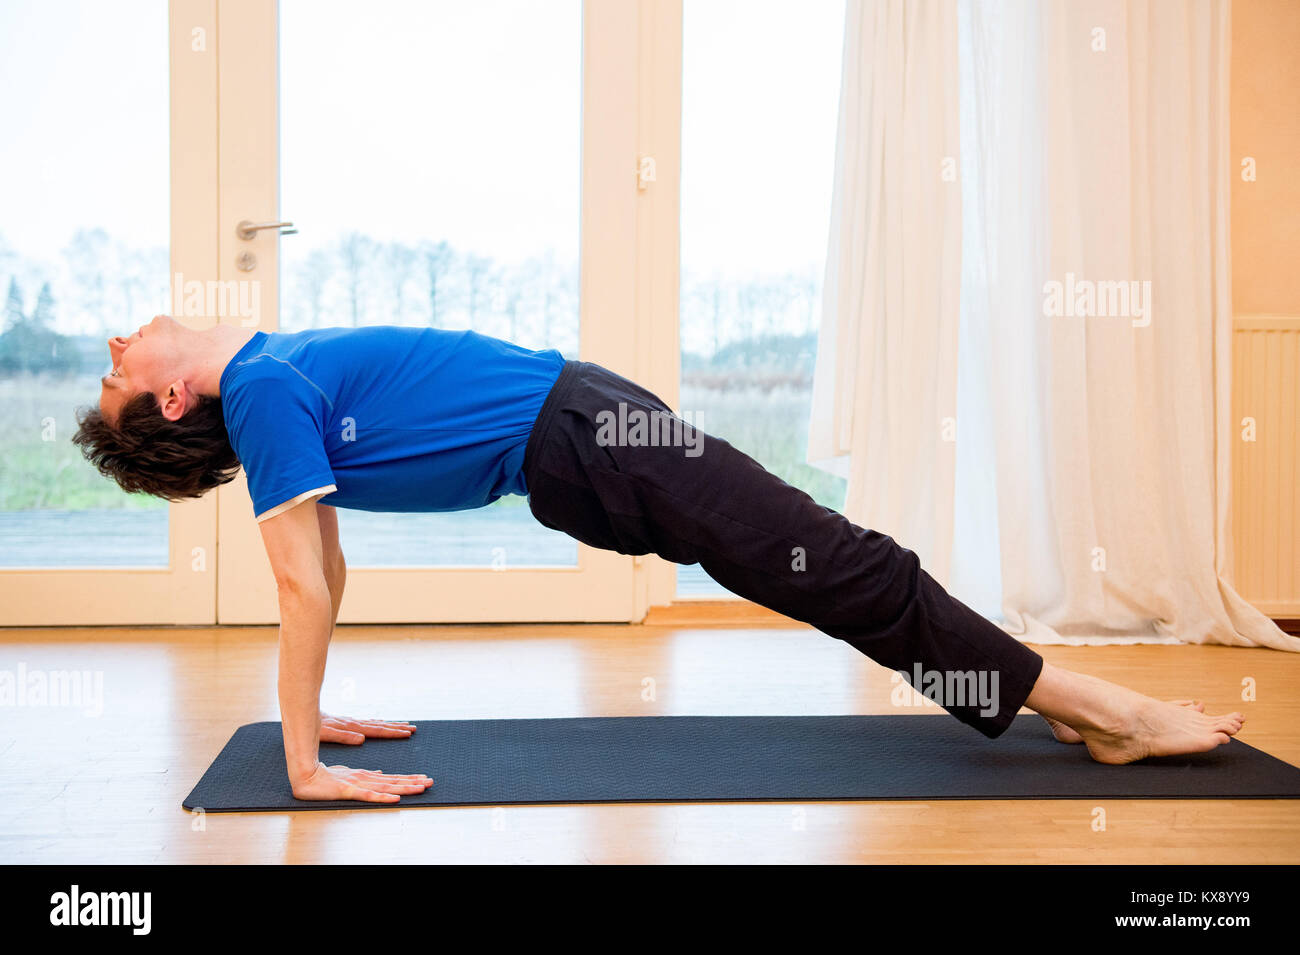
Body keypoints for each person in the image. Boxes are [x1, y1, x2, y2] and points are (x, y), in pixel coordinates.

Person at [74, 315, 1245, 804]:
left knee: (826, 566)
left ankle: (1048, 698)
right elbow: (299, 580)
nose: (120, 340)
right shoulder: (266, 388)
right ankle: (1098, 707)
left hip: (585, 435)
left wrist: (313, 713)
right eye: (119, 368)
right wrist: (301, 759)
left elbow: (322, 573)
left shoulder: (273, 376)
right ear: (176, 395)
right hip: (583, 442)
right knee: (837, 562)